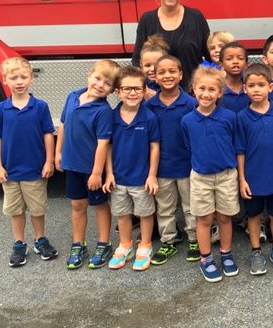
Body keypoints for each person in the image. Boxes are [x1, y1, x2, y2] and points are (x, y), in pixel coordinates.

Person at [0, 57, 58, 267]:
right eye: (14, 77)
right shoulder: (0, 109)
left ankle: (40, 239)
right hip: (10, 172)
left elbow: (48, 134)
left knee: (37, 209)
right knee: (15, 210)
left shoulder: (41, 107)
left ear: (31, 79)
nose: (19, 81)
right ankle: (19, 243)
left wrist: (49, 161)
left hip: (34, 169)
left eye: (23, 77)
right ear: (5, 80)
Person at [55, 59, 120, 269]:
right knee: (77, 205)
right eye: (98, 78)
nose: (100, 84)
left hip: (92, 169)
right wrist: (58, 152)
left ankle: (104, 243)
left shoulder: (104, 112)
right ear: (89, 75)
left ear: (112, 90)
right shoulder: (73, 97)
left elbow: (103, 145)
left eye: (107, 83)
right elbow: (63, 125)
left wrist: (96, 173)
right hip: (72, 164)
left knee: (100, 205)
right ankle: (78, 243)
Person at [181, 65, 240, 282]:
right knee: (204, 219)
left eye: (212, 90)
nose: (206, 94)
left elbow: (235, 143)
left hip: (226, 174)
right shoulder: (187, 120)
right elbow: (189, 145)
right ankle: (206, 258)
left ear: (220, 92)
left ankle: (226, 253)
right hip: (201, 176)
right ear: (194, 89)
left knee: (225, 217)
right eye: (202, 88)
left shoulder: (229, 117)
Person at [236, 63, 273, 275]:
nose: (256, 89)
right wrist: (242, 179)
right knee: (254, 215)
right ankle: (256, 251)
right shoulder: (241, 117)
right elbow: (240, 150)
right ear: (245, 89)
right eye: (251, 85)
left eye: (261, 85)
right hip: (253, 177)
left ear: (270, 87)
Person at [103, 66, 160, 271]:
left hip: (141, 177)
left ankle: (145, 245)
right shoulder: (111, 116)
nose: (132, 93)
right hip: (118, 179)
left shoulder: (149, 117)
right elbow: (107, 146)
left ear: (145, 91)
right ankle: (125, 244)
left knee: (145, 213)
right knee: (123, 213)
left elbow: (155, 147)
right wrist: (108, 173)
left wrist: (152, 175)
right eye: (127, 89)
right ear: (118, 91)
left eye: (137, 89)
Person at [147, 55, 200, 265]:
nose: (167, 75)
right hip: (162, 168)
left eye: (172, 71)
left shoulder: (191, 104)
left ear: (180, 75)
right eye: (162, 72)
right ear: (155, 77)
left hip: (188, 166)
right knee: (165, 207)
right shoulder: (150, 106)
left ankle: (195, 238)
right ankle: (168, 240)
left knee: (190, 206)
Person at [132, 0, 210, 90]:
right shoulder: (147, 20)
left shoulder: (196, 17)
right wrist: (145, 91)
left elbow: (210, 56)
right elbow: (137, 60)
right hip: (158, 97)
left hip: (192, 95)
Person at [220, 41, 250, 114]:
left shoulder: (252, 88)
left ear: (247, 64)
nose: (235, 62)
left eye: (240, 58)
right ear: (221, 64)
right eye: (229, 59)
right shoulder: (218, 89)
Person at [139, 34, 169, 100]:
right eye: (147, 65)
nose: (152, 69)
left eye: (156, 65)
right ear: (141, 66)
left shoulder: (170, 85)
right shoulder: (138, 85)